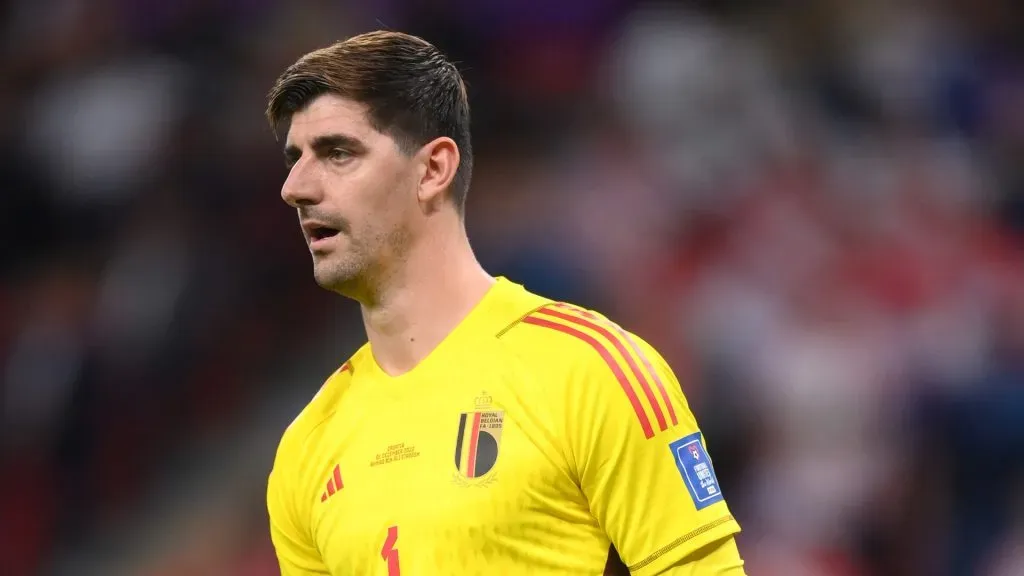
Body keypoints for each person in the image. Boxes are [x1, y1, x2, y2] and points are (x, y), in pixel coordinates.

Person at [264, 30, 746, 575]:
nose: (296, 186)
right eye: (294, 158)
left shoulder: (590, 370)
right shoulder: (307, 446)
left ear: (433, 170)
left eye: (337, 152)